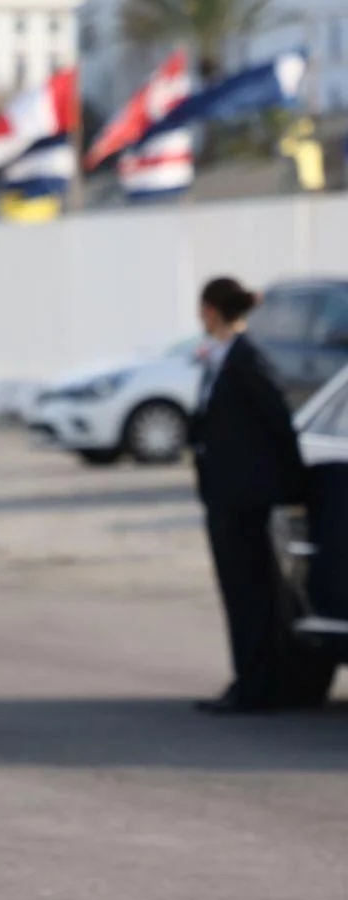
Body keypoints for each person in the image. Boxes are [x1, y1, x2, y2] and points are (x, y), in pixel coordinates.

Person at [187, 276, 307, 714]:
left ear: (213, 311)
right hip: (225, 496)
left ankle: (257, 687)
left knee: (250, 594)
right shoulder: (222, 357)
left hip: (243, 500)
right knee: (239, 593)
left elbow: (279, 421)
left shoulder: (246, 359)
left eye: (201, 309)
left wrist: (290, 485)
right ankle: (248, 681)